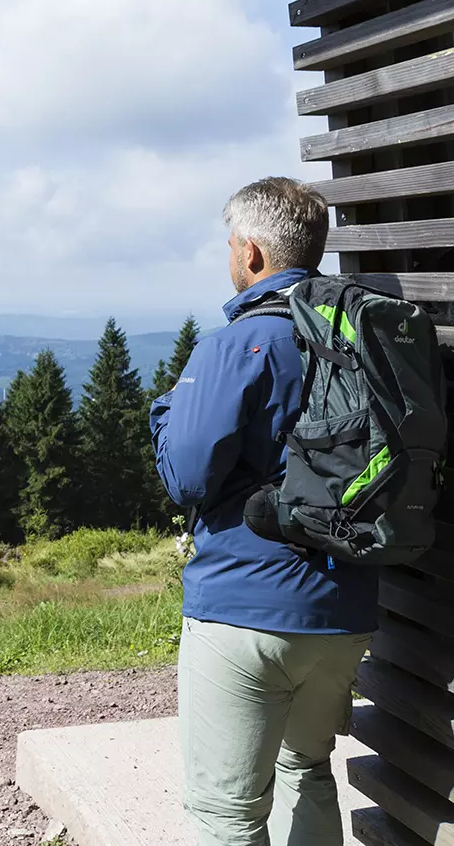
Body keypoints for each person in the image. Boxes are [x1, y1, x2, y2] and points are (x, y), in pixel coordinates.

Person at [149, 177, 377, 846]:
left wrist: (165, 412)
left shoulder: (239, 343)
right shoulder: (365, 337)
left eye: (229, 244)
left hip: (245, 612)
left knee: (225, 817)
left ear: (250, 253)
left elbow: (186, 477)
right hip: (346, 611)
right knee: (305, 771)